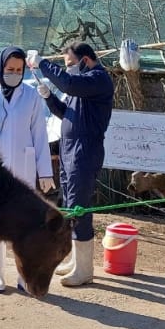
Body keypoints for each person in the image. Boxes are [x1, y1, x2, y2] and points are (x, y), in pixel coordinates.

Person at [0, 46, 56, 292]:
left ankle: (22, 275)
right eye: (10, 69)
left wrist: (45, 171)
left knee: (22, 225)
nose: (14, 74)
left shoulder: (31, 96)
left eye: (19, 70)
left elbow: (39, 135)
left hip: (23, 170)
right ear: (0, 67)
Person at [26, 43, 114, 286]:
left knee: (79, 208)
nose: (69, 69)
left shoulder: (97, 79)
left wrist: (43, 63)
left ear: (85, 60)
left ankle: (85, 269)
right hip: (70, 149)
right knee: (70, 205)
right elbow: (66, 114)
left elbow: (69, 83)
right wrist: (49, 97)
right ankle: (76, 261)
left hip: (85, 151)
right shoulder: (82, 88)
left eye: (71, 64)